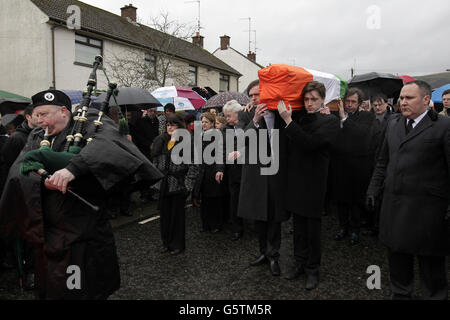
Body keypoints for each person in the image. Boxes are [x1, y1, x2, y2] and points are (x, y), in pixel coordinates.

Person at [0, 90, 163, 300]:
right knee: (53, 290)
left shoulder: (89, 123)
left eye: (45, 114)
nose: (40, 121)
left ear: (63, 111)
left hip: (83, 238)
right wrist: (42, 179)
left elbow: (110, 146)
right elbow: (18, 171)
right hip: (50, 237)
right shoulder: (37, 135)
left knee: (79, 291)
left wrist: (73, 168)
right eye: (37, 115)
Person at [366, 80, 450, 300]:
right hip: (394, 209)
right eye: (401, 98)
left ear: (425, 100)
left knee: (431, 270)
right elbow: (383, 161)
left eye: (409, 98)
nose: (403, 102)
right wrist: (373, 189)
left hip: (428, 213)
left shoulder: (443, 127)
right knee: (398, 264)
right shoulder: (393, 124)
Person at [279, 81, 340, 289]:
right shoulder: (300, 118)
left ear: (323, 99)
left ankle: (313, 269)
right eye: (306, 99)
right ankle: (299, 263)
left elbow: (310, 144)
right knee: (298, 228)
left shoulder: (330, 122)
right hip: (296, 181)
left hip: (314, 183)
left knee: (313, 229)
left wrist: (288, 120)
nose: (309, 103)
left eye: (314, 99)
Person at [237, 79, 290, 277]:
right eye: (251, 95)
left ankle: (274, 255)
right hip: (255, 173)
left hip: (276, 172)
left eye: (257, 94)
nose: (253, 98)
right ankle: (263, 253)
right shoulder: (246, 113)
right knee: (259, 215)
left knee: (274, 216)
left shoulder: (279, 113)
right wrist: (255, 121)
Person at [331, 88, 377, 246]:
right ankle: (342, 227)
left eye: (353, 102)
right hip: (340, 165)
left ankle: (355, 230)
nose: (349, 105)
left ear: (359, 103)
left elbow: (362, 134)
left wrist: (344, 119)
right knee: (341, 199)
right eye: (347, 101)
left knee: (356, 201)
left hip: (358, 167)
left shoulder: (366, 117)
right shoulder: (334, 115)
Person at [0, 104, 38, 290]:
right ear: (28, 117)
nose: (41, 119)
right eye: (38, 115)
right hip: (19, 194)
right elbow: (8, 168)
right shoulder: (16, 139)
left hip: (35, 193)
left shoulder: (41, 135)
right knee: (22, 237)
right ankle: (24, 270)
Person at [151, 114, 198, 255]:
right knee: (164, 216)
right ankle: (166, 243)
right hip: (164, 183)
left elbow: (194, 165)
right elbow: (155, 161)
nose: (170, 127)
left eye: (173, 124)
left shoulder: (187, 141)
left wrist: (188, 185)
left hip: (178, 184)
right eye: (168, 125)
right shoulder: (161, 140)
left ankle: (177, 244)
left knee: (177, 217)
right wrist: (155, 180)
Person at [192, 112, 225, 233]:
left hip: (213, 170)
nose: (203, 124)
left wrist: (219, 169)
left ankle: (216, 224)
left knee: (214, 199)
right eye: (202, 121)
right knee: (205, 199)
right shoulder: (200, 135)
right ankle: (205, 224)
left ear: (212, 123)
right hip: (203, 171)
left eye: (206, 122)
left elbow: (220, 153)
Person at [222, 100, 246, 241]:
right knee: (234, 200)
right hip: (233, 171)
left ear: (238, 114)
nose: (226, 119)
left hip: (248, 169)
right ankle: (237, 228)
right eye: (225, 116)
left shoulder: (247, 125)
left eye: (229, 116)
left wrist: (240, 151)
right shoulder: (225, 129)